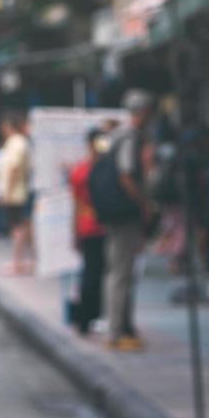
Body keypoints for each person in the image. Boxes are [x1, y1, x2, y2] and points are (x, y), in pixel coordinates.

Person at [106, 90, 156, 352]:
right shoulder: (129, 136)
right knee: (121, 272)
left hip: (118, 212)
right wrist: (142, 202)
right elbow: (126, 174)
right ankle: (116, 330)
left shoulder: (118, 135)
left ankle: (122, 326)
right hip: (124, 213)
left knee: (122, 270)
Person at [67, 128, 107, 337]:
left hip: (87, 225)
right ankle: (91, 315)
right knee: (96, 273)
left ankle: (86, 317)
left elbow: (75, 205)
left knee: (90, 272)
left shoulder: (80, 170)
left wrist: (74, 231)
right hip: (100, 226)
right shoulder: (100, 169)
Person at [0, 112, 34, 275]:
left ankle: (18, 262)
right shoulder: (16, 143)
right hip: (17, 191)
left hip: (16, 193)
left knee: (18, 228)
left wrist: (7, 192)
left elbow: (14, 169)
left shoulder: (17, 143)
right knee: (24, 227)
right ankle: (28, 260)